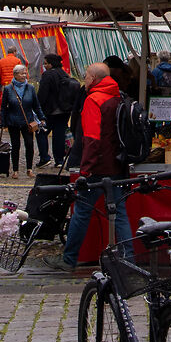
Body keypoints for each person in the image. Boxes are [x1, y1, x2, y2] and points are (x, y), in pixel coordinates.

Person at [59, 63, 130, 269]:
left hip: (98, 167)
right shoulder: (119, 97)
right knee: (120, 213)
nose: (85, 80)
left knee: (81, 211)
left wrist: (85, 169)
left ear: (93, 78)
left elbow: (91, 139)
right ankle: (129, 258)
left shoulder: (94, 100)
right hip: (117, 164)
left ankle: (69, 258)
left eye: (87, 76)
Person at [36, 55, 78, 168]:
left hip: (50, 110)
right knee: (59, 135)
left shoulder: (48, 75)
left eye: (46, 63)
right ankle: (59, 160)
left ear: (51, 64)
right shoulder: (64, 74)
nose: (44, 66)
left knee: (41, 132)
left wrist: (38, 108)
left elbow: (42, 94)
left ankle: (44, 157)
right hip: (64, 110)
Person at [0, 64, 41, 170]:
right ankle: (15, 169)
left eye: (25, 73)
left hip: (27, 121)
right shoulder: (8, 89)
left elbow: (36, 105)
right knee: (15, 145)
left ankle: (29, 168)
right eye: (22, 73)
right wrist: (3, 122)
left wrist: (42, 118)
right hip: (13, 121)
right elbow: (3, 107)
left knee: (29, 144)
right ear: (15, 75)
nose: (24, 75)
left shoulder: (30, 88)